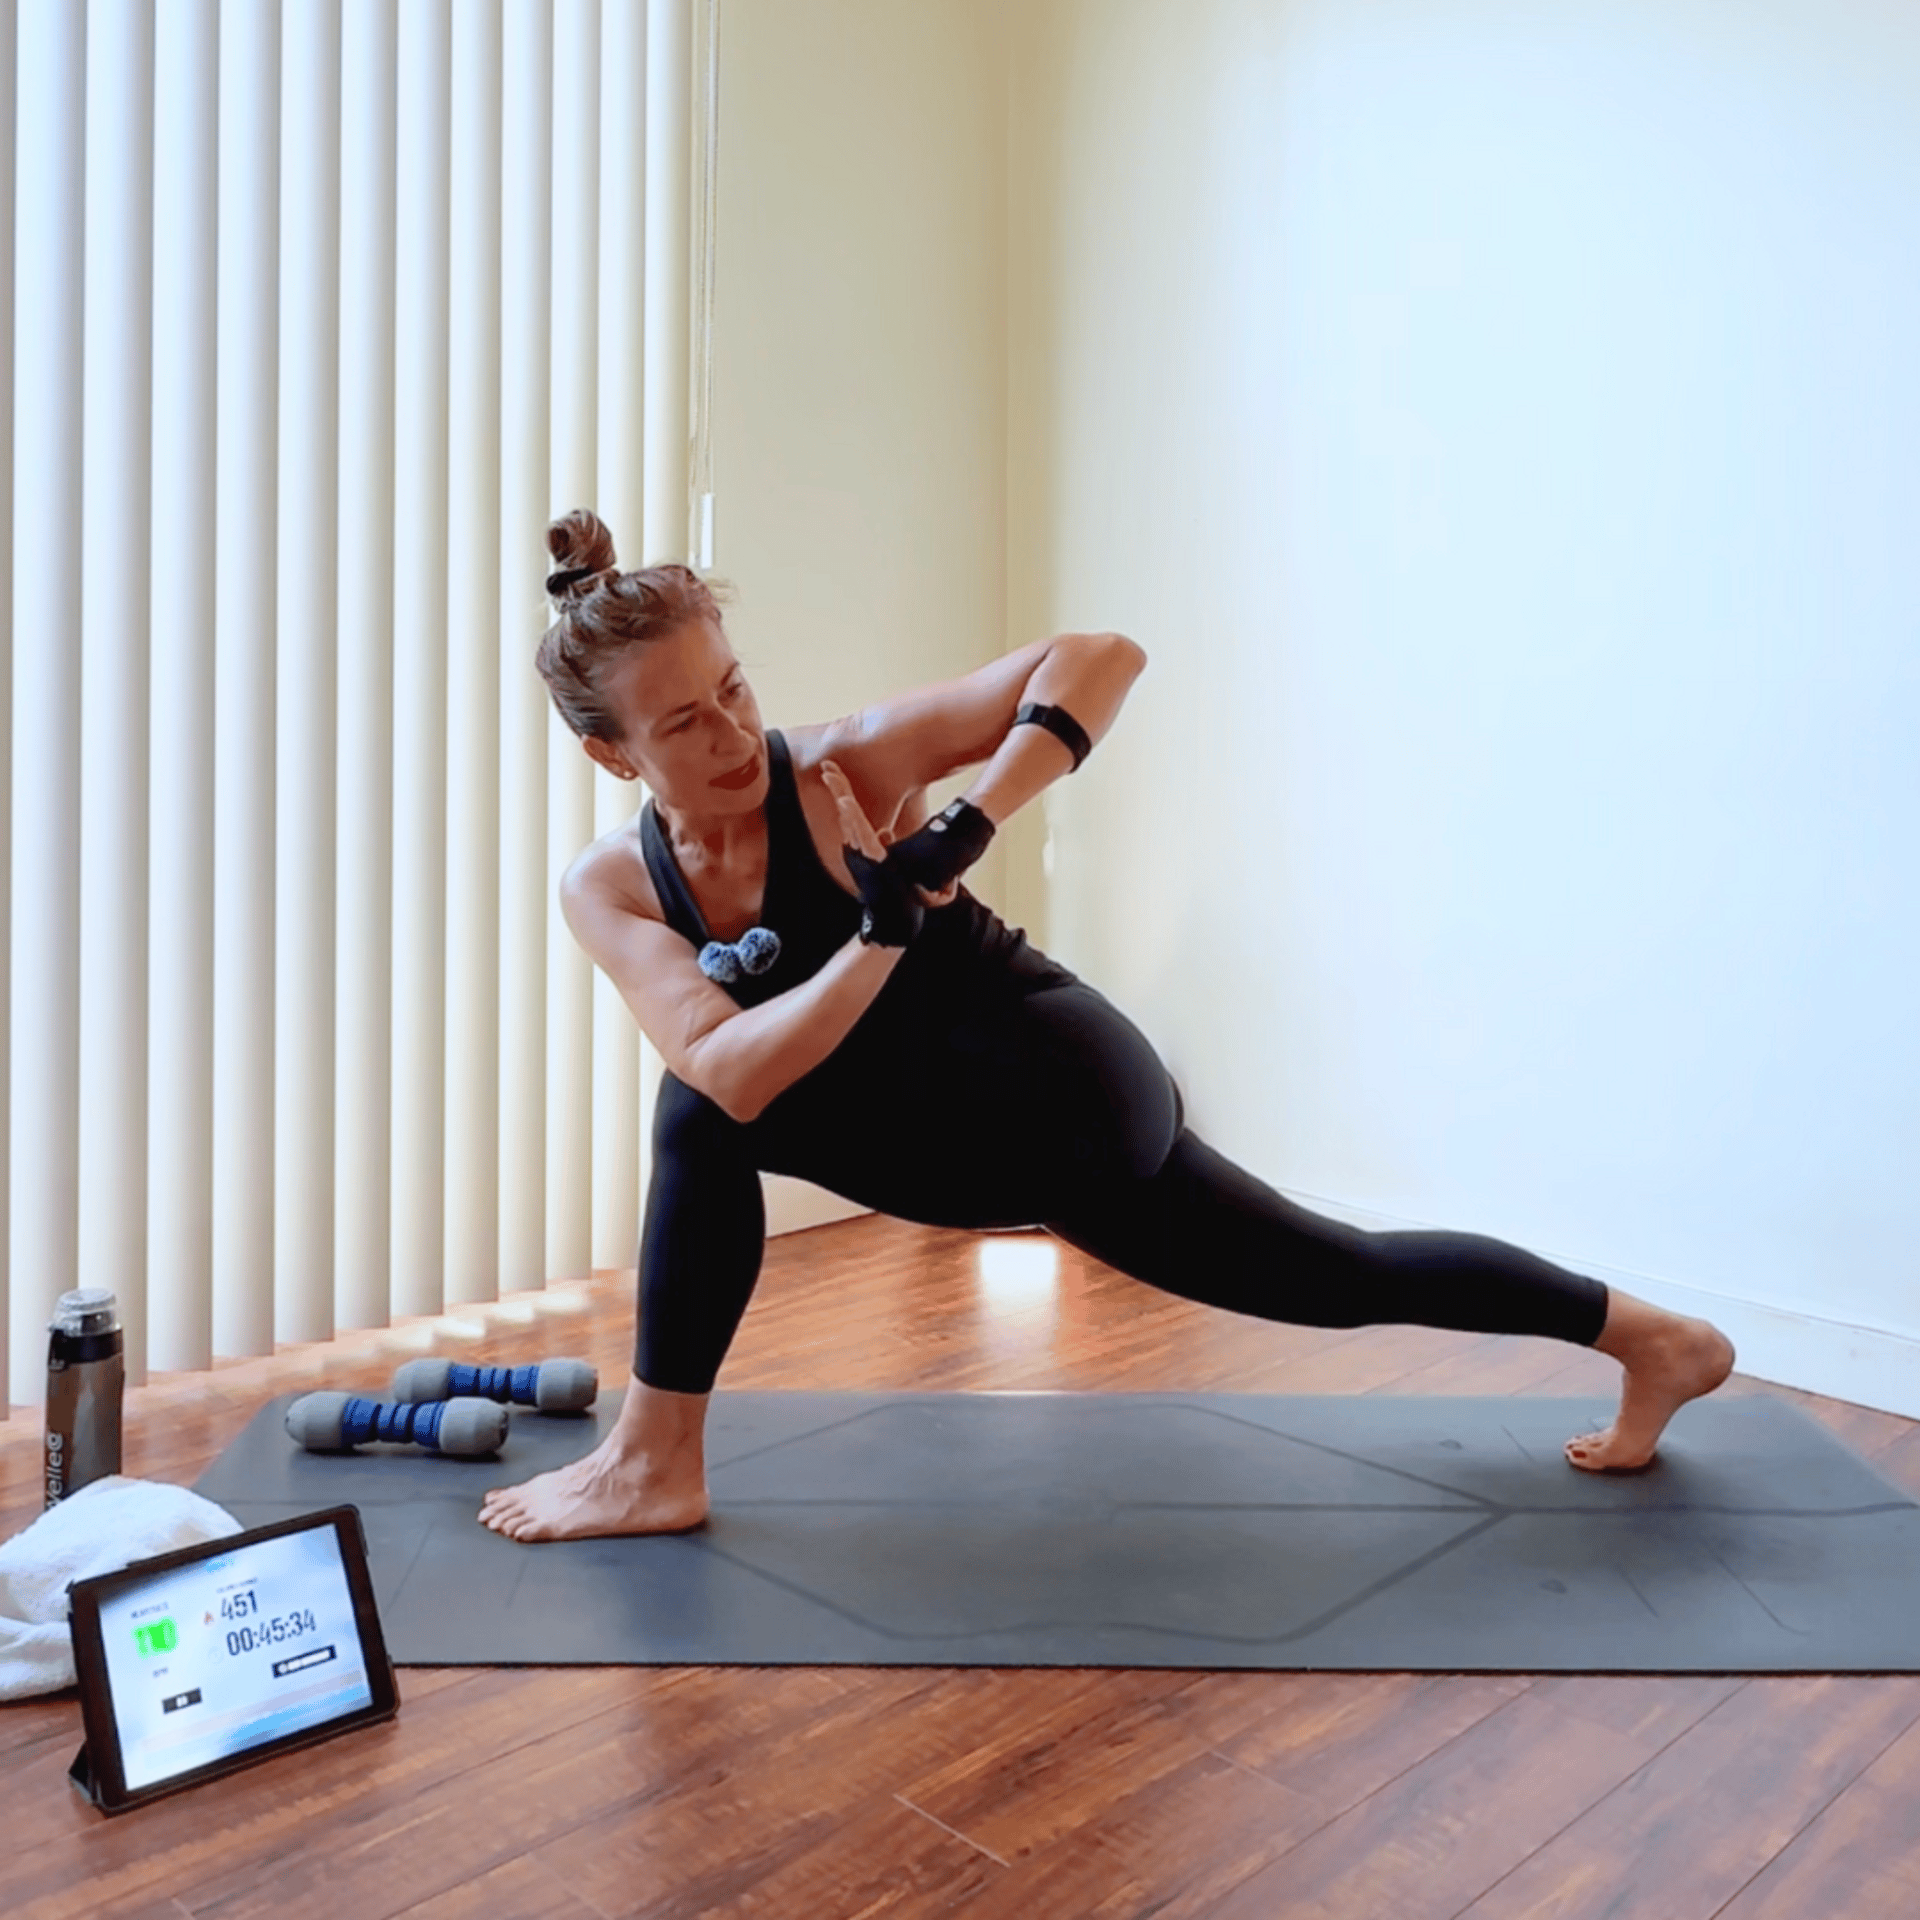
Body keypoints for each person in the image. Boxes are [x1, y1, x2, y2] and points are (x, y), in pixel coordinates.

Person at [479, 509, 1736, 1543]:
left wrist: (967, 823)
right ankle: (1659, 1341)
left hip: (1061, 1092)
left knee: (1331, 1278)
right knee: (700, 1104)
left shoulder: (841, 773)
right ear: (611, 755)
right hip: (925, 1133)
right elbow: (729, 1070)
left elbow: (1101, 656)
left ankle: (1651, 1336)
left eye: (734, 688)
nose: (731, 734)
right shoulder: (617, 883)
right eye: (683, 723)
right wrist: (879, 936)